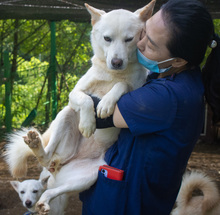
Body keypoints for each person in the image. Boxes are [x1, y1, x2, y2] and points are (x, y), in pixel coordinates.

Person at [80, 0, 220, 214]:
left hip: (127, 204)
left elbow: (100, 115)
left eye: (150, 44)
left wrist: (79, 94)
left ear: (179, 60)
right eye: (142, 33)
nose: (138, 44)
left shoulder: (166, 97)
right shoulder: (170, 76)